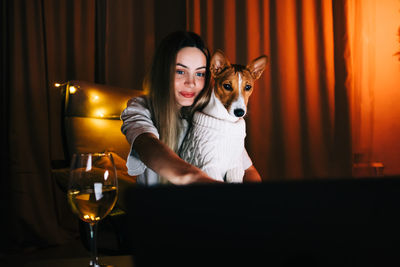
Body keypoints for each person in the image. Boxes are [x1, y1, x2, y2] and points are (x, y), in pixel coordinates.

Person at [120, 31, 261, 185]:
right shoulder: (140, 108)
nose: (191, 82)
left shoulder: (216, 117)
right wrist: (194, 177)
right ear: (163, 72)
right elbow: (148, 146)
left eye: (199, 74)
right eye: (180, 71)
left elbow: (248, 170)